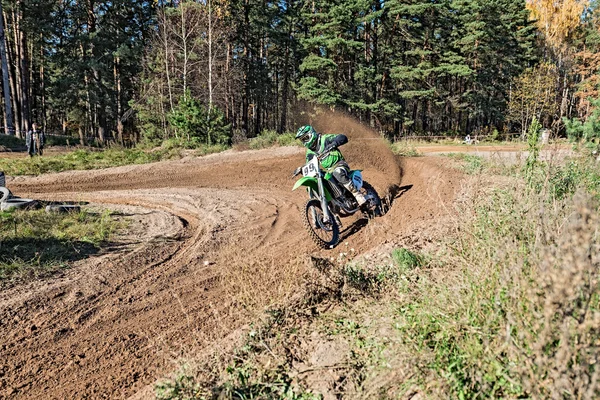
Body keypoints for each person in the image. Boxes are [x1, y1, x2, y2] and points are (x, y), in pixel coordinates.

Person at [295, 125, 366, 205]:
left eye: (305, 138)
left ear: (311, 134)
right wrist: (302, 168)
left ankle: (357, 194)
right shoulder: (310, 152)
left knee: (337, 173)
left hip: (339, 164)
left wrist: (333, 144)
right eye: (302, 140)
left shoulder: (324, 139)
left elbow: (343, 137)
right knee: (322, 179)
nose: (304, 142)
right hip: (329, 171)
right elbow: (309, 163)